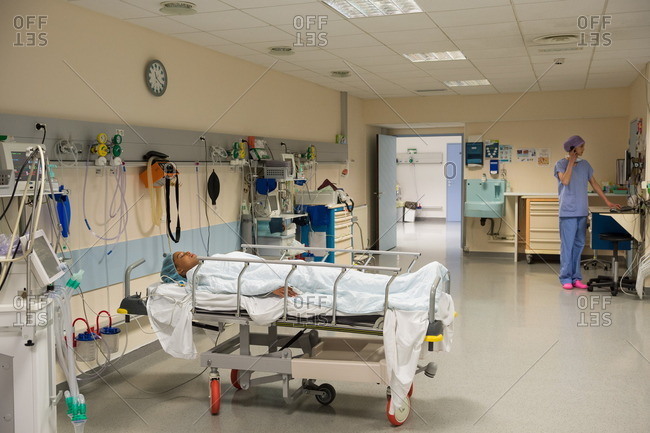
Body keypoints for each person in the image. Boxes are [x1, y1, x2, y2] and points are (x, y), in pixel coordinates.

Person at [554, 135, 621, 290]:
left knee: (578, 245)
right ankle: (565, 278)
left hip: (581, 211)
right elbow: (565, 181)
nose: (584, 149)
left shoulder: (585, 165)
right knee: (567, 246)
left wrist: (607, 201)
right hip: (567, 211)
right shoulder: (560, 164)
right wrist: (570, 162)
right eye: (581, 146)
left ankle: (576, 278)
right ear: (573, 148)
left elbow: (595, 184)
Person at [160, 251, 298, 297]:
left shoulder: (207, 263)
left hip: (275, 268)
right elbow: (235, 284)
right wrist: (270, 287)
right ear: (179, 271)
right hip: (280, 275)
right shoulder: (199, 276)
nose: (188, 252)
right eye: (182, 256)